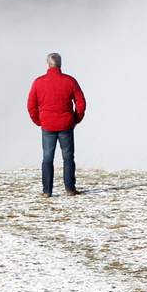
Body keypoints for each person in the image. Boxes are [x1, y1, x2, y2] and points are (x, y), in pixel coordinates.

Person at [26, 52, 86, 197]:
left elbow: (31, 105)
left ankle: (47, 191)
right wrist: (76, 119)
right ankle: (70, 189)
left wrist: (38, 121)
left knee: (47, 158)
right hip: (66, 124)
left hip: (47, 125)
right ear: (60, 64)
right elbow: (81, 103)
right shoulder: (70, 81)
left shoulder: (38, 82)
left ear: (48, 64)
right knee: (68, 157)